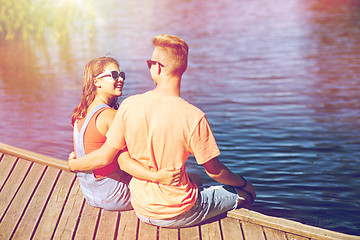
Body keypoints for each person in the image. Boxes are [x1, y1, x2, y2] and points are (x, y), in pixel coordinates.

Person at [68, 35, 256, 228]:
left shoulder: (129, 105)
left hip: (141, 206)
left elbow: (122, 161)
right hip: (177, 212)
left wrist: (74, 164)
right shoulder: (194, 116)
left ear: (157, 67)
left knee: (195, 179)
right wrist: (243, 184)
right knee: (243, 193)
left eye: (150, 63)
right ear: (183, 68)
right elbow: (216, 172)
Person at [70, 56, 180, 211]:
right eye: (114, 75)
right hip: (114, 196)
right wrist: (158, 177)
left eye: (122, 75)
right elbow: (122, 160)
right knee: (187, 182)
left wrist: (74, 164)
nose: (120, 79)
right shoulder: (109, 116)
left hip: (91, 194)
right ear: (97, 82)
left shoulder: (80, 114)